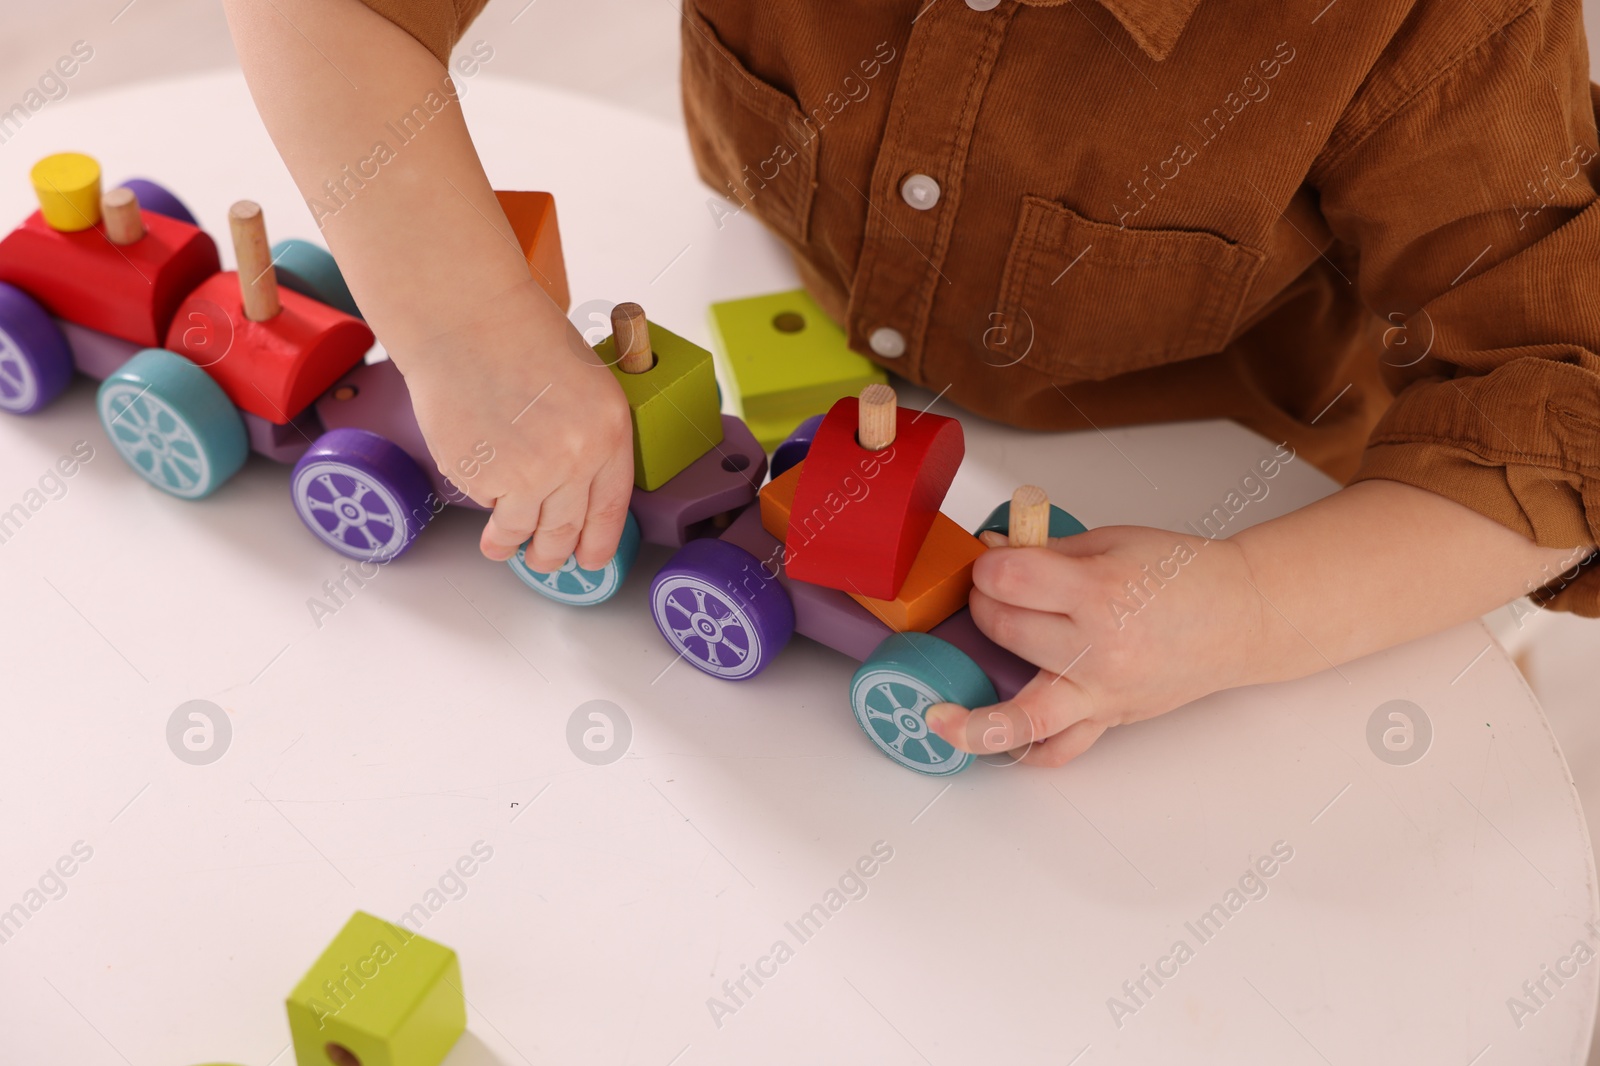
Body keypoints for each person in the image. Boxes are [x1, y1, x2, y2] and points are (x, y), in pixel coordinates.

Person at [222, 0, 1597, 766]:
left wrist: (1243, 612)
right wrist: (465, 328)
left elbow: (1569, 395)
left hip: (1226, 466)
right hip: (762, 279)